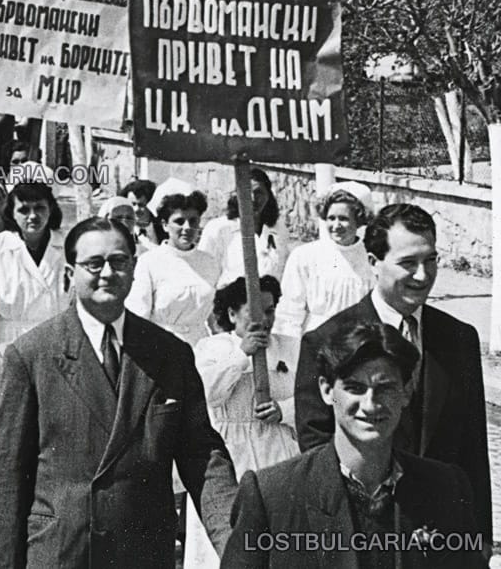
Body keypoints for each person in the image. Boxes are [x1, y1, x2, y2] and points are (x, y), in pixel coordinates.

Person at [0, 217, 238, 569]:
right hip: (62, 553)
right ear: (71, 273)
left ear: (134, 269)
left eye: (119, 261)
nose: (107, 272)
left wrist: (237, 545)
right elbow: (8, 479)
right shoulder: (31, 355)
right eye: (94, 263)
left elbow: (202, 455)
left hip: (142, 552)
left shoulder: (169, 354)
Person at [293, 202, 493, 551]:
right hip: (364, 538)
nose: (422, 275)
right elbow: (318, 448)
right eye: (407, 263)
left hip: (443, 540)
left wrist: (479, 544)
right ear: (373, 263)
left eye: (430, 260)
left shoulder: (459, 338)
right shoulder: (326, 340)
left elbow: (473, 452)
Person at [223, 322, 486, 568]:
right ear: (326, 390)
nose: (371, 405)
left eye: (386, 388)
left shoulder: (446, 487)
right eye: (355, 388)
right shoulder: (272, 495)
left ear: (406, 393)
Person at [184, 276, 299, 569]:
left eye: (270, 310)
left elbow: (318, 401)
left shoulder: (292, 347)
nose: (265, 319)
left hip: (278, 447)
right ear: (232, 314)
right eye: (255, 312)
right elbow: (205, 395)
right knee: (230, 538)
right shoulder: (210, 348)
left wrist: (284, 410)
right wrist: (241, 354)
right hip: (231, 454)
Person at [0, 180, 65, 496]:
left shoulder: (67, 247)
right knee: (3, 441)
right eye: (24, 209)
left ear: (51, 210)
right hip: (7, 356)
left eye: (40, 208)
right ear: (13, 213)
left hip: (58, 353)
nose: (32, 216)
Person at [273, 185, 376, 338]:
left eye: (344, 219)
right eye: (331, 218)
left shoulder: (371, 256)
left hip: (360, 343)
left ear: (359, 220)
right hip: (317, 343)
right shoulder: (305, 255)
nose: (336, 226)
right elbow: (289, 312)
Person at [127, 188, 219, 347]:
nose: (187, 227)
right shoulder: (150, 262)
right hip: (161, 345)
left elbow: (214, 318)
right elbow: (138, 315)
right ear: (164, 225)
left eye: (193, 220)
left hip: (201, 347)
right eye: (179, 221)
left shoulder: (210, 262)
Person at [199, 166, 288, 288]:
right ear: (236, 195)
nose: (252, 199)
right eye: (246, 192)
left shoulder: (278, 229)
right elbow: (205, 279)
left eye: (259, 193)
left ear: (268, 195)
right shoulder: (218, 229)